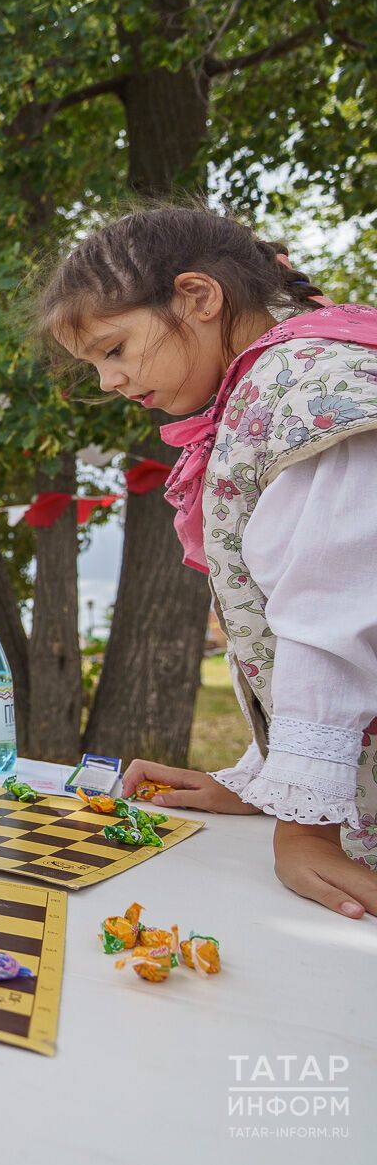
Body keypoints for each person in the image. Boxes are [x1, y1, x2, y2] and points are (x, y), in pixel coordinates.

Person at [37, 205, 377, 919]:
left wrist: (307, 829)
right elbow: (283, 648)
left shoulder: (311, 389)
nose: (107, 381)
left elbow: (333, 624)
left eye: (114, 348)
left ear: (197, 298)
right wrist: (260, 784)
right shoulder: (269, 390)